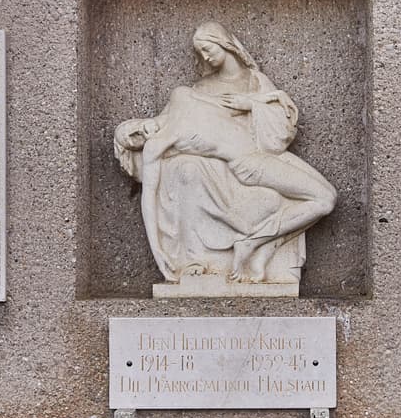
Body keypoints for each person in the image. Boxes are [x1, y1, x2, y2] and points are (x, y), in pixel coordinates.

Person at [114, 22, 336, 289]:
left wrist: (252, 104)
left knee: (326, 195)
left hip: (266, 154)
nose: (141, 131)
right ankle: (254, 245)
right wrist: (158, 250)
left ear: (224, 44)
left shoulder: (183, 97)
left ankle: (257, 244)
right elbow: (148, 196)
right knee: (324, 199)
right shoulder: (158, 144)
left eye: (134, 127)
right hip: (250, 164)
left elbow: (269, 119)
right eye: (135, 138)